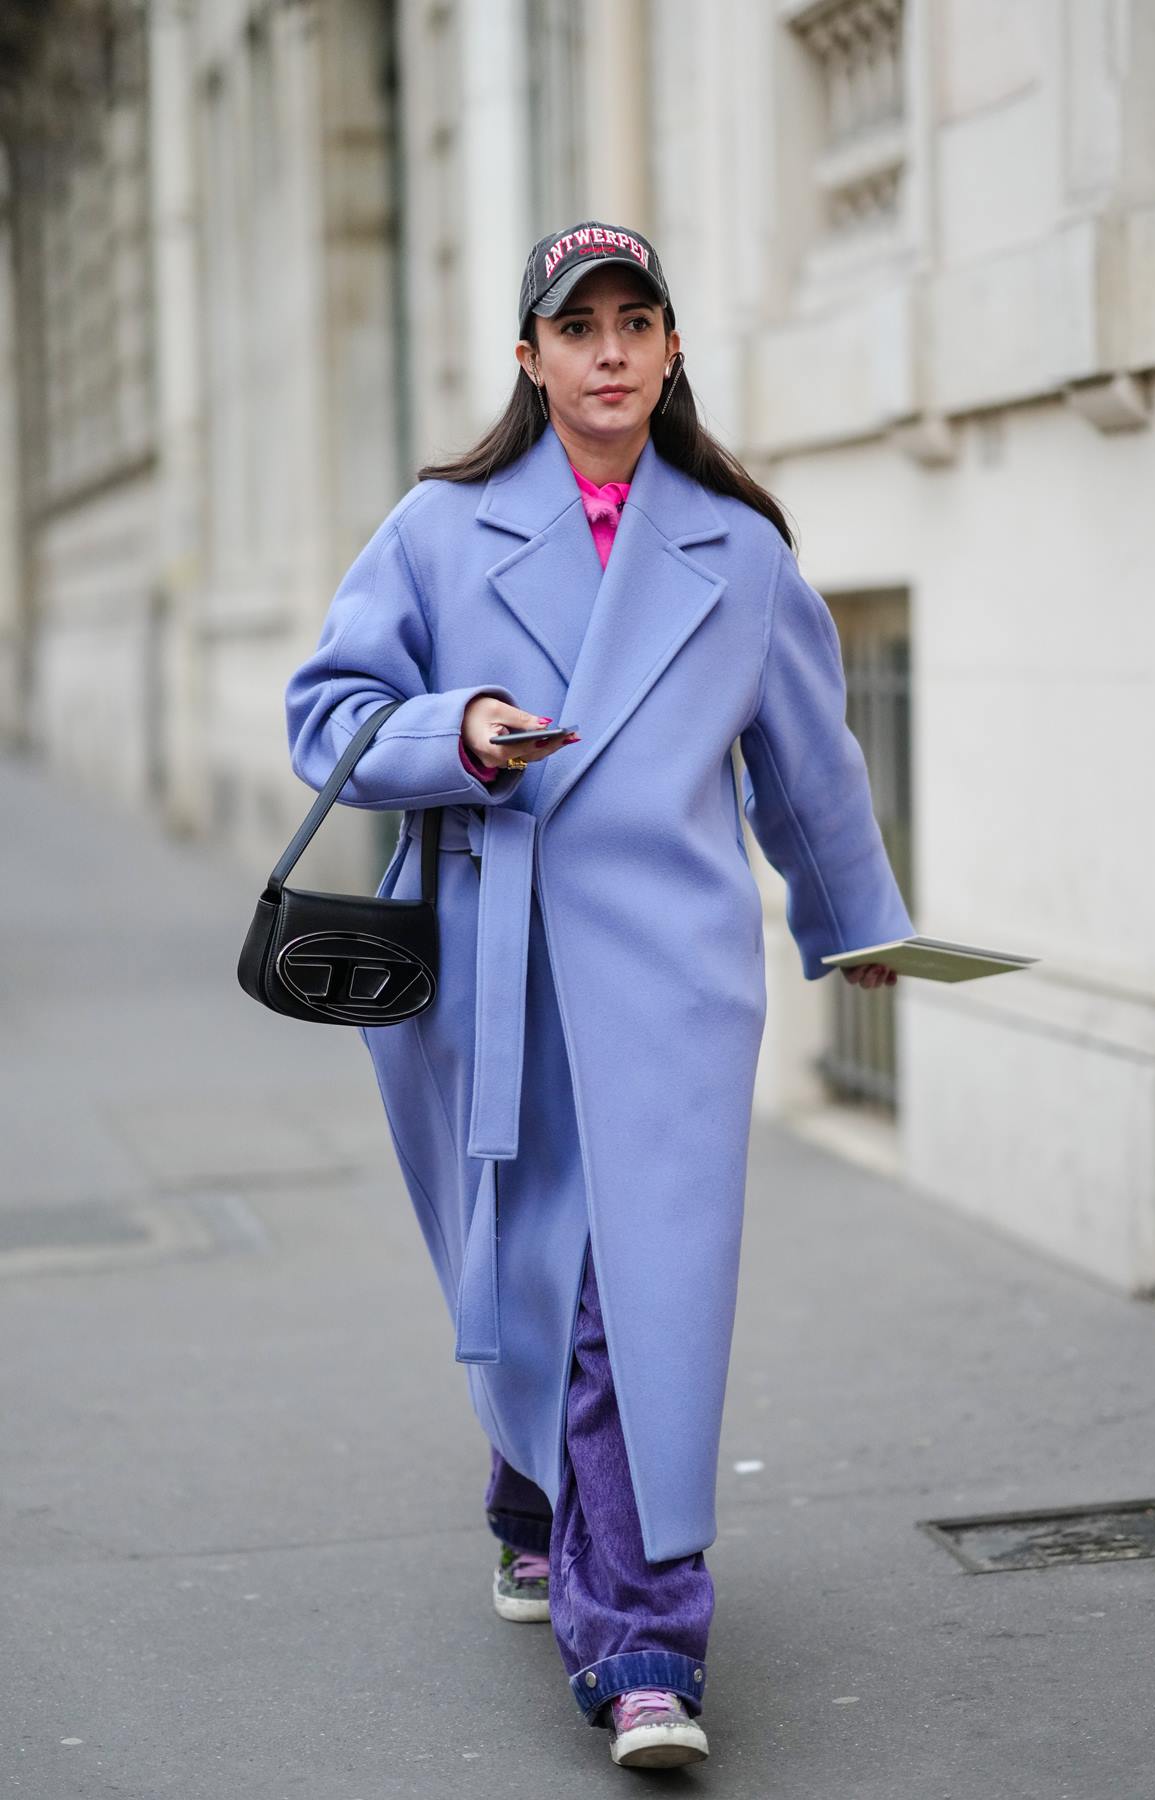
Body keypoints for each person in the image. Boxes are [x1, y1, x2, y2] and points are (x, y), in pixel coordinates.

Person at [284, 220, 909, 1770]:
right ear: (532, 359)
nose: (611, 351)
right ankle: (527, 1500)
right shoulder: (438, 531)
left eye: (639, 322)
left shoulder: (739, 549)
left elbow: (811, 773)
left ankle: (639, 1642)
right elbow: (330, 721)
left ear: (673, 348)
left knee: (636, 1305)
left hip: (673, 990)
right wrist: (463, 728)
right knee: (530, 1286)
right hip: (486, 980)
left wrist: (858, 926)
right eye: (580, 329)